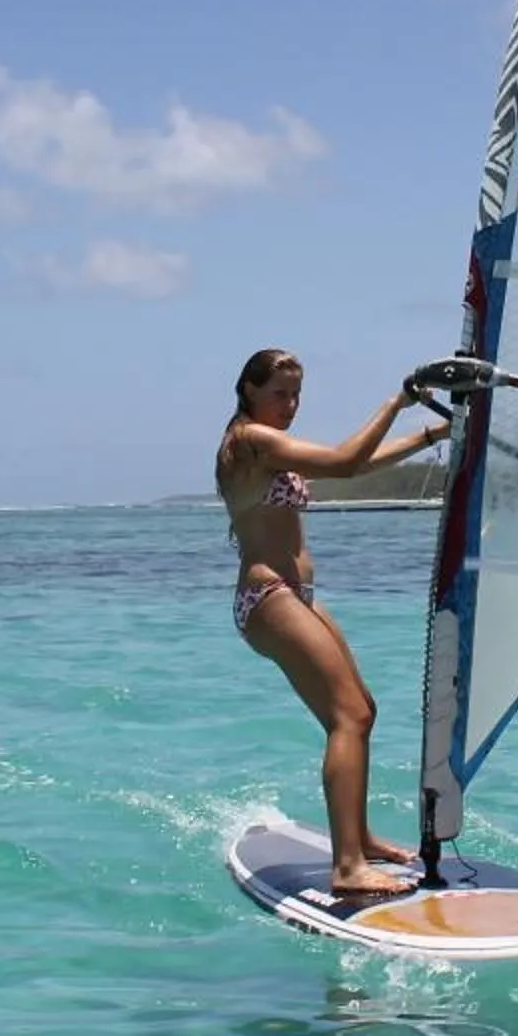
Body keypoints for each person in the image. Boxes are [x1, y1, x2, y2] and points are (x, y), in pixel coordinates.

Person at [217, 348, 453, 897]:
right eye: (279, 392)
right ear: (249, 390)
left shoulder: (271, 444)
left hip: (296, 595)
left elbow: (354, 465)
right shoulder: (250, 441)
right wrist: (400, 401)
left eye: (297, 393)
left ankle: (359, 838)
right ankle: (347, 868)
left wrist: (429, 438)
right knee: (346, 716)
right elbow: (345, 461)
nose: (291, 404)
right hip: (268, 596)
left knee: (361, 710)